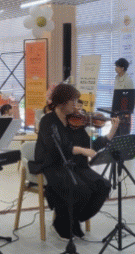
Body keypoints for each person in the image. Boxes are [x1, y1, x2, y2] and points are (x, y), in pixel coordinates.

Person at [30, 84, 112, 239]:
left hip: (74, 164)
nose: (76, 105)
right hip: (52, 164)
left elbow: (89, 145)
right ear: (62, 102)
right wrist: (80, 150)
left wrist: (109, 135)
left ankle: (74, 219)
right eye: (73, 101)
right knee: (81, 189)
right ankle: (62, 223)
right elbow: (54, 148)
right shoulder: (48, 121)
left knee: (103, 186)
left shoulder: (74, 121)